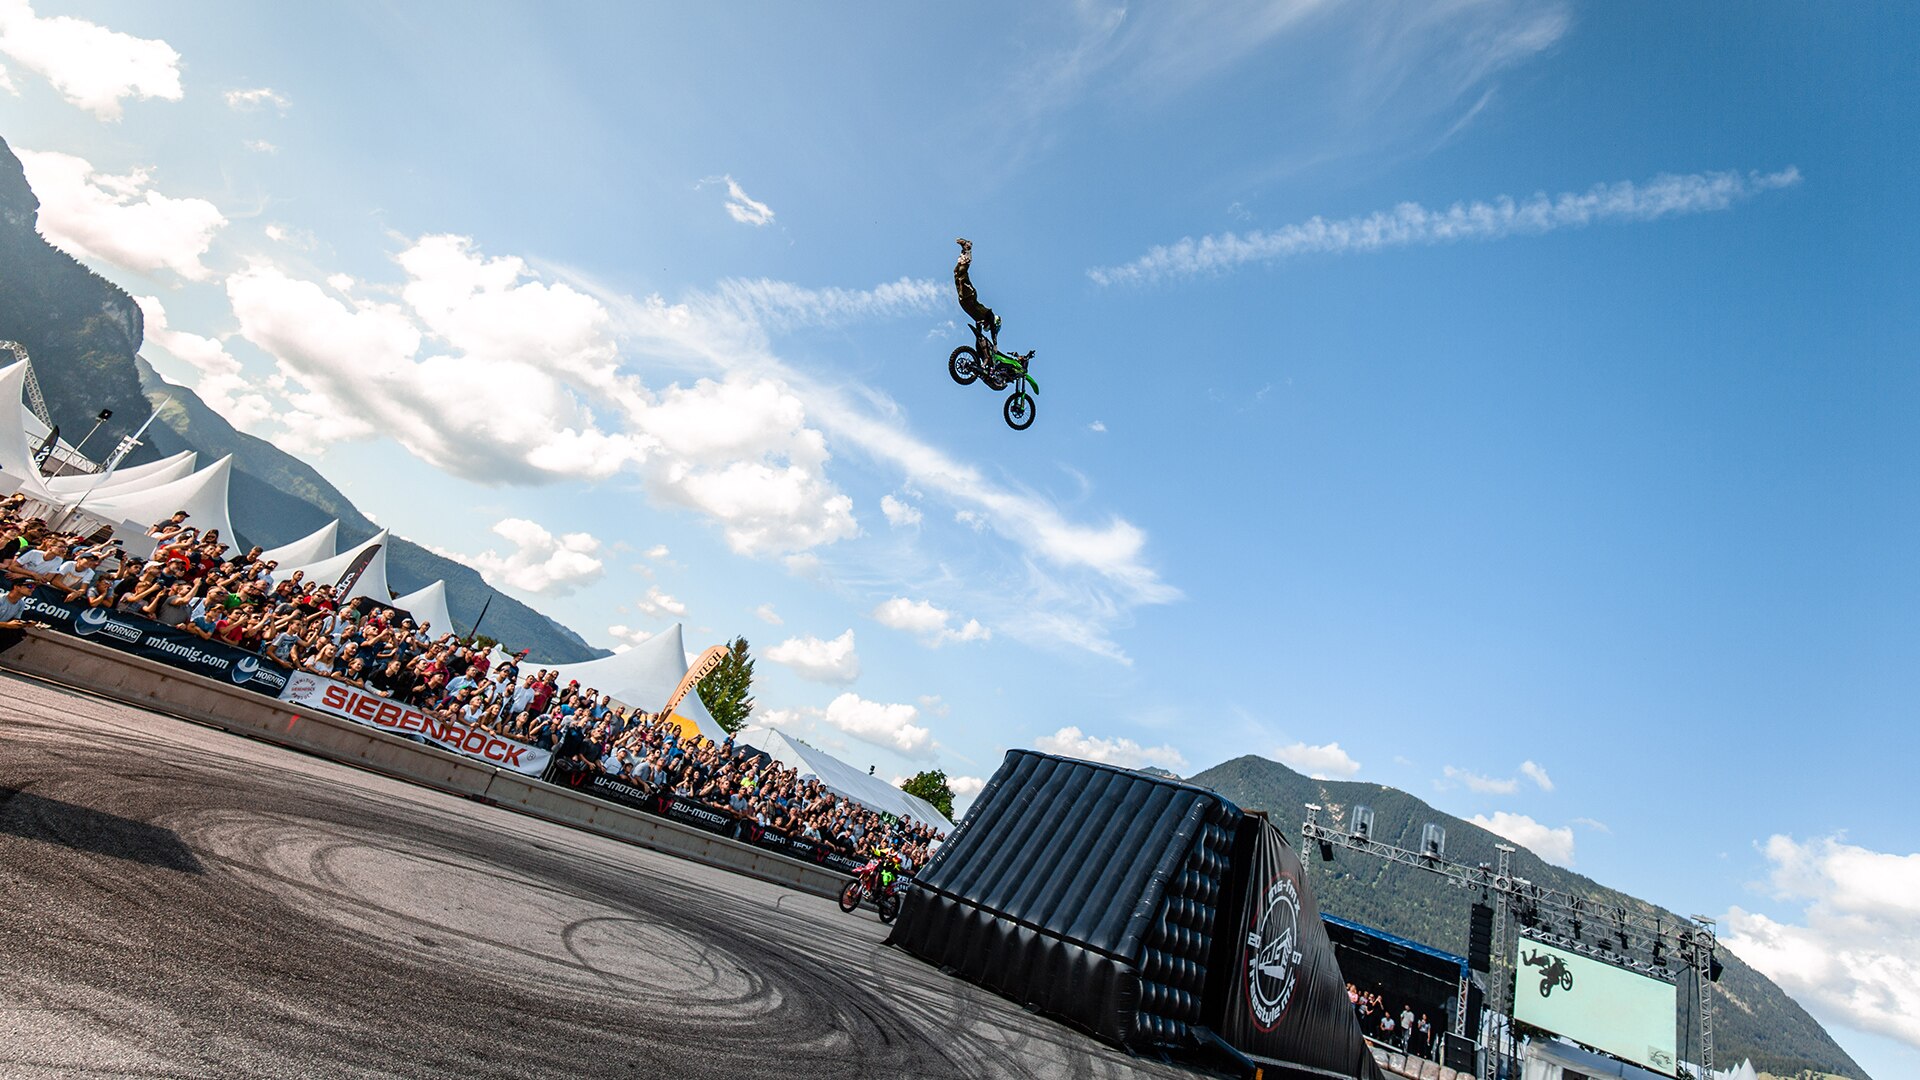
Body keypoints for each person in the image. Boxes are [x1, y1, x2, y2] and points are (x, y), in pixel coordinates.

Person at [953, 238, 999, 340]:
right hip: (970, 296)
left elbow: (978, 336)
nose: (985, 326)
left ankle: (963, 254)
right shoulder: (989, 314)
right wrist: (995, 343)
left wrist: (979, 343)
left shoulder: (979, 320)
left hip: (963, 300)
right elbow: (992, 325)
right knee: (962, 276)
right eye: (989, 326)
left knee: (956, 273)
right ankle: (967, 249)